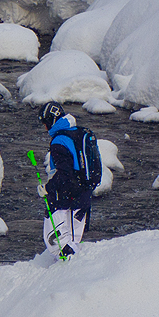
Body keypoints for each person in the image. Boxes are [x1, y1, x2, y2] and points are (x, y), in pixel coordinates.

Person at [39, 102, 103, 258]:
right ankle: (71, 273)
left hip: (66, 197)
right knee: (73, 242)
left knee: (58, 245)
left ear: (52, 121)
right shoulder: (79, 133)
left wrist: (48, 188)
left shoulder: (59, 141)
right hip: (84, 194)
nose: (46, 128)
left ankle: (67, 277)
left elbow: (64, 174)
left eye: (46, 123)